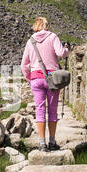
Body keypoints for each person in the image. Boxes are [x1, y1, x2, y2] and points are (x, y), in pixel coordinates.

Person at [20, 17, 70, 151]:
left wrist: (30, 78)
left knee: (40, 110)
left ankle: (42, 144)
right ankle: (52, 142)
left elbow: (24, 64)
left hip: (36, 79)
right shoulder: (53, 36)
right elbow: (61, 53)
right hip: (52, 79)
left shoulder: (30, 41)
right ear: (46, 26)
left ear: (35, 26)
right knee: (52, 111)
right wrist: (66, 49)